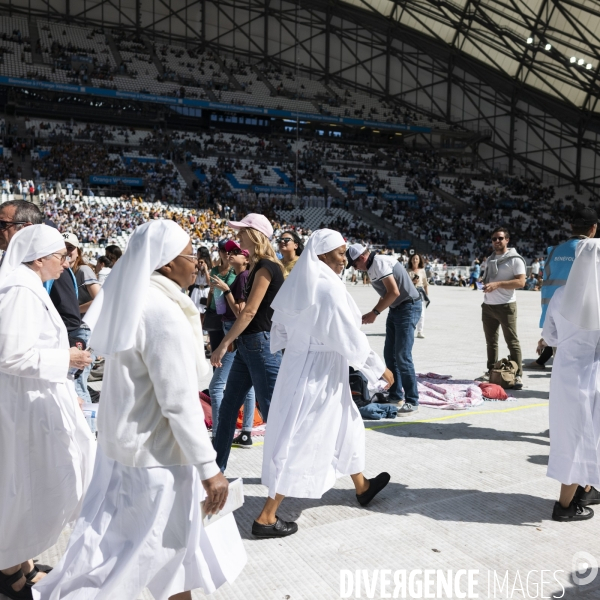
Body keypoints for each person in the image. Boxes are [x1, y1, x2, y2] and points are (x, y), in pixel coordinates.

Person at [33, 220, 246, 600]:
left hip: (129, 450)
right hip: (158, 459)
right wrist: (210, 469)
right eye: (191, 256)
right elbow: (179, 402)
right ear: (165, 263)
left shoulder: (135, 299)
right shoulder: (162, 312)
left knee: (172, 560)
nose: (198, 264)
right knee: (132, 567)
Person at [255, 229, 394, 539]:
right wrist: (377, 367)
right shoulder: (326, 289)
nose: (345, 259)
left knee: (346, 422)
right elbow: (347, 336)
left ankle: (363, 487)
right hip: (318, 373)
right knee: (303, 437)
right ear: (321, 255)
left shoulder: (302, 283)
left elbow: (282, 329)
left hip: (305, 366)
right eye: (340, 253)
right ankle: (266, 516)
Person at [0, 225, 95, 600]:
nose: (66, 262)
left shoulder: (26, 285)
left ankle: (18, 558)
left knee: (29, 484)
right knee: (25, 484)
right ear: (39, 258)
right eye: (60, 256)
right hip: (24, 406)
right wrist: (67, 358)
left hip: (32, 400)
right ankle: (9, 569)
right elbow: (11, 354)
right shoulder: (21, 290)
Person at [211, 214, 284, 471]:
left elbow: (249, 312)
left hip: (260, 344)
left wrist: (223, 343)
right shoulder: (260, 267)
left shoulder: (265, 267)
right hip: (252, 344)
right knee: (231, 407)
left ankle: (284, 473)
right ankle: (214, 471)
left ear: (254, 235)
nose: (238, 237)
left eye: (242, 232)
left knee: (272, 412)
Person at [542, 238, 600, 521]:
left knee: (569, 437)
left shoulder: (561, 294)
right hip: (595, 376)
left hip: (565, 374)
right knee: (592, 437)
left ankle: (584, 490)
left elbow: (550, 337)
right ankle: (565, 507)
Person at [347, 243, 421, 416]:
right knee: (390, 354)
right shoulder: (373, 265)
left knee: (403, 356)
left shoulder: (379, 263)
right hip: (397, 308)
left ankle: (412, 400)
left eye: (355, 264)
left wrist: (375, 312)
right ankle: (396, 395)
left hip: (408, 307)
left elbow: (393, 292)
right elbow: (389, 294)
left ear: (362, 258)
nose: (356, 269)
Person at [526, 208, 598, 370]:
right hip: (586, 318)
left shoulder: (553, 252)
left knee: (562, 369)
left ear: (571, 226)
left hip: (556, 317)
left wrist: (547, 324)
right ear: (593, 227)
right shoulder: (592, 251)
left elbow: (548, 285)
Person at [208, 239, 256, 446]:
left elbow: (240, 312)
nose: (229, 255)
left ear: (245, 257)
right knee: (248, 386)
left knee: (216, 386)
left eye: (235, 251)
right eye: (227, 251)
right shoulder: (243, 276)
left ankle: (219, 433)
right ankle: (245, 432)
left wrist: (226, 290)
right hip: (233, 331)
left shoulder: (243, 277)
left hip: (233, 332)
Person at [480, 227, 526, 389]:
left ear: (507, 240)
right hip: (488, 306)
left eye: (500, 238)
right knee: (491, 342)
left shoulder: (515, 259)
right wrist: (484, 283)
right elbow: (489, 278)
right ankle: (491, 370)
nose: (497, 241)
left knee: (512, 341)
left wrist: (498, 284)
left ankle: (518, 374)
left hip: (506, 306)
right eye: (494, 239)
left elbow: (521, 282)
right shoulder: (490, 259)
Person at [65, 233, 101, 403]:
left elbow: (100, 299)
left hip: (83, 328)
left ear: (78, 252)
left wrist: (75, 310)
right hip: (76, 327)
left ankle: (89, 428)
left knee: (79, 381)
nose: (67, 251)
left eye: (71, 248)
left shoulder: (83, 270)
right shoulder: (66, 271)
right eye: (64, 247)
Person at [206, 240, 236, 353]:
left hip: (229, 312)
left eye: (229, 250)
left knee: (229, 350)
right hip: (215, 311)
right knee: (215, 347)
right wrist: (207, 309)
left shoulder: (236, 270)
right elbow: (211, 292)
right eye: (223, 250)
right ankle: (216, 371)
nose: (227, 253)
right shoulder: (214, 270)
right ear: (219, 252)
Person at [406, 253, 429, 339]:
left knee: (421, 313)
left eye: (417, 259)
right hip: (409, 293)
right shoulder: (407, 271)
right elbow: (404, 283)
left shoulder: (422, 271)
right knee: (409, 312)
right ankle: (409, 330)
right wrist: (412, 282)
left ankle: (420, 331)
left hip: (420, 292)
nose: (415, 260)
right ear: (411, 260)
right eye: (413, 259)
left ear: (419, 261)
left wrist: (427, 294)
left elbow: (425, 283)